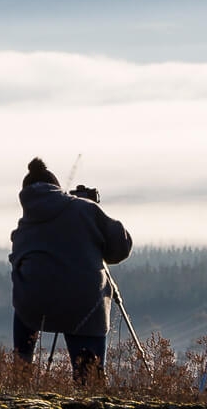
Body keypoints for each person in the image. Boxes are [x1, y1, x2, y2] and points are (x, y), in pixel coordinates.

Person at [10, 157, 133, 383]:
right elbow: (120, 247)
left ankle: (21, 375)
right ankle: (90, 389)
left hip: (34, 306)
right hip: (84, 304)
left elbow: (17, 263)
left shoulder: (23, 226)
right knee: (88, 375)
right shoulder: (85, 209)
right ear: (58, 190)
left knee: (24, 303)